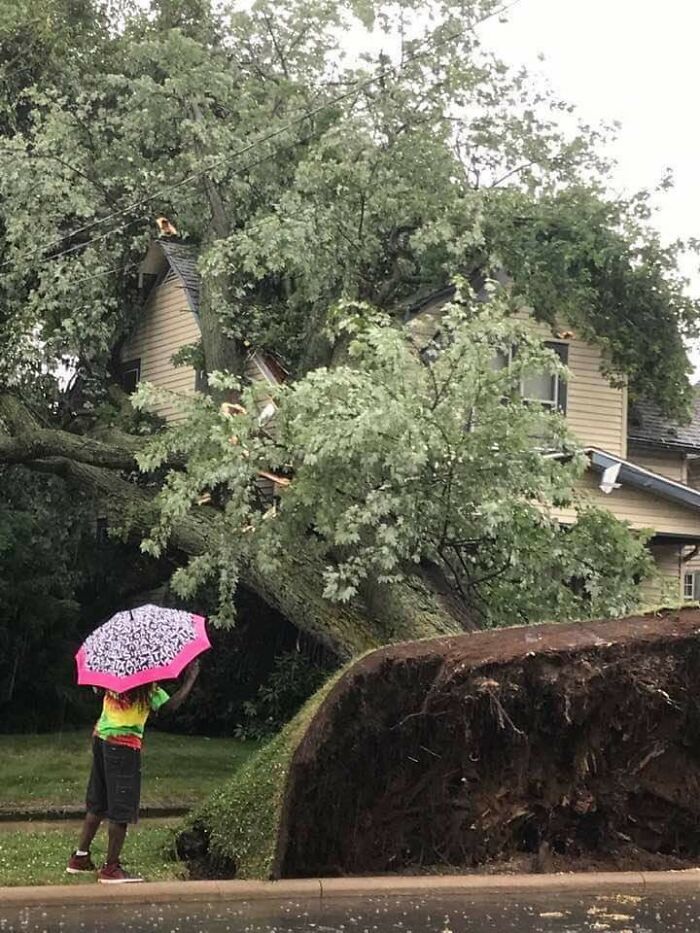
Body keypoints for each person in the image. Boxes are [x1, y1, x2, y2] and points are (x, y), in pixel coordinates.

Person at [66, 659, 201, 883]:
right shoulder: (147, 687)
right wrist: (190, 679)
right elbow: (169, 707)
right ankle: (111, 869)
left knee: (98, 802)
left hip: (101, 738)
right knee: (121, 806)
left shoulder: (114, 674)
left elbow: (98, 688)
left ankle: (80, 858)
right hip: (123, 745)